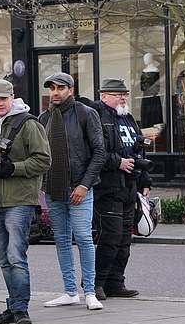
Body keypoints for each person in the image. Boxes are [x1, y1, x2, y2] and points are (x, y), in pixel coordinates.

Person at [0, 79, 51, 324]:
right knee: (3, 258)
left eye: (3, 99)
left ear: (12, 97)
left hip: (20, 199)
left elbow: (44, 160)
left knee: (16, 255)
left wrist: (12, 168)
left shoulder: (29, 123)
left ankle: (21, 309)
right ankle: (13, 305)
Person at [38, 73, 105, 311]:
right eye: (51, 88)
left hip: (79, 187)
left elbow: (99, 152)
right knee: (62, 240)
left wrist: (84, 185)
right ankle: (69, 291)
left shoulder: (86, 113)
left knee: (84, 238)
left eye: (60, 88)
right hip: (54, 188)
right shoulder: (44, 117)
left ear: (71, 90)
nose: (55, 92)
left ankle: (89, 291)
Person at [80, 78, 152, 301]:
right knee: (109, 237)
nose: (123, 97)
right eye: (117, 94)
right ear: (104, 96)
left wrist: (145, 181)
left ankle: (116, 282)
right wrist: (117, 162)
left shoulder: (128, 118)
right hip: (107, 187)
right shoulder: (97, 116)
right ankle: (95, 283)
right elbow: (93, 152)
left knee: (124, 239)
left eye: (124, 94)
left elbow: (139, 150)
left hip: (129, 186)